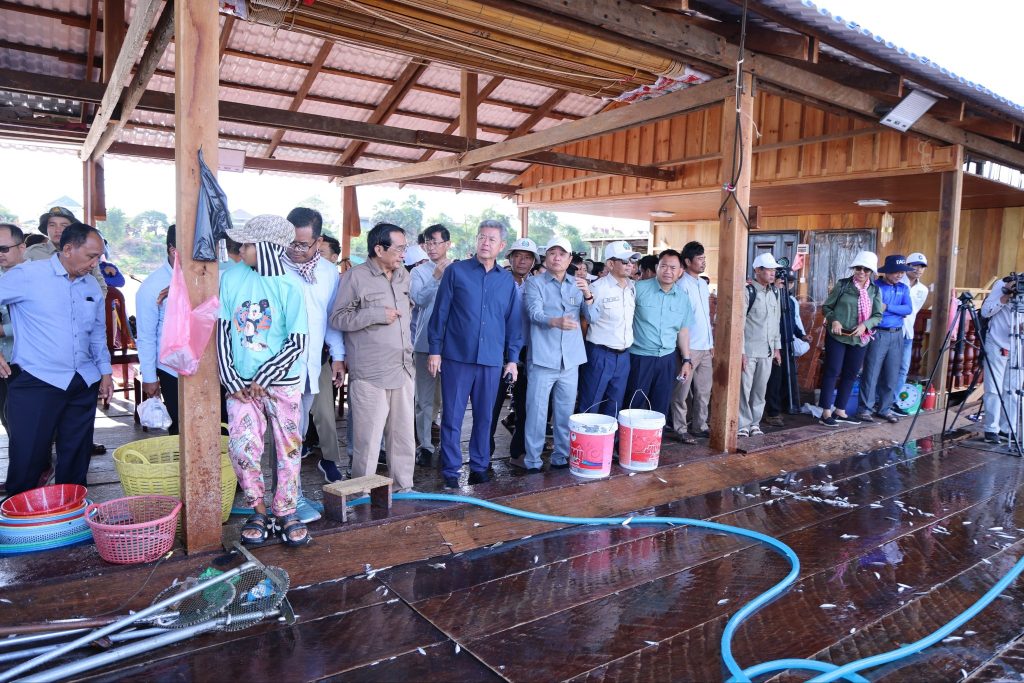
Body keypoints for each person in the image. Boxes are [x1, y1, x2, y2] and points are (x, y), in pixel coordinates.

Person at [217, 215, 310, 547]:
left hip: (282, 382)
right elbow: (223, 329)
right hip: (241, 385)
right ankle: (257, 510)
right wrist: (230, 377)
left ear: (267, 248)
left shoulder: (290, 285)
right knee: (242, 447)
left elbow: (297, 340)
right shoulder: (232, 277)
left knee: (288, 449)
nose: (240, 249)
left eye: (247, 244)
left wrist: (265, 375)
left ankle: (285, 512)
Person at [0, 223, 113, 494]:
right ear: (68, 249)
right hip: (37, 381)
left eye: (99, 257)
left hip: (82, 382)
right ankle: (20, 518)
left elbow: (97, 333)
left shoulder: (91, 284)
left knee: (76, 460)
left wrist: (106, 372)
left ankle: (70, 513)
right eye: (91, 256)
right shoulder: (27, 276)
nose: (95, 263)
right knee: (28, 460)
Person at [428, 219, 522, 489]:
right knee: (452, 416)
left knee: (485, 417)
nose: (485, 243)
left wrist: (512, 359)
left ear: (501, 246)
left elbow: (513, 323)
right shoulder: (456, 272)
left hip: (491, 360)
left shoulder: (506, 281)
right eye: (481, 237)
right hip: (457, 357)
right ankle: (451, 469)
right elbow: (440, 313)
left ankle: (480, 466)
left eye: (492, 239)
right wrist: (435, 351)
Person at [330, 223, 415, 491]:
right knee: (368, 441)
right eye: (399, 248)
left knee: (403, 437)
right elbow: (338, 318)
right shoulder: (355, 277)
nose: (403, 253)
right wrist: (375, 314)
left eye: (404, 248)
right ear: (379, 249)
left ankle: (404, 487)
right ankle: (361, 492)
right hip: (371, 373)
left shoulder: (403, 275)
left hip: (403, 368)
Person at [282, 207, 346, 490]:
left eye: (303, 245)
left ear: (318, 242)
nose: (295, 250)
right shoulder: (273, 267)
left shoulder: (329, 272)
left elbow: (330, 318)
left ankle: (292, 492)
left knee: (300, 429)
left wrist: (338, 356)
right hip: (278, 367)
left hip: (311, 363)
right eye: (291, 243)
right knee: (282, 431)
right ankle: (284, 492)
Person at [521, 237, 588, 472]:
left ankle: (561, 456)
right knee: (537, 413)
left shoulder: (578, 284)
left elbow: (593, 317)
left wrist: (589, 295)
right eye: (552, 253)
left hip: (570, 360)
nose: (557, 257)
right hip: (543, 359)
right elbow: (533, 313)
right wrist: (555, 321)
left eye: (562, 254)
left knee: (565, 412)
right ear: (545, 258)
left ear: (569, 259)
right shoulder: (535, 283)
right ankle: (533, 460)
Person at [817, 251, 883, 427]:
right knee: (832, 371)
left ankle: (840, 410)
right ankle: (825, 412)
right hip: (837, 336)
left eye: (866, 269)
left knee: (851, 373)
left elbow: (878, 315)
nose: (861, 272)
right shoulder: (843, 285)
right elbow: (827, 307)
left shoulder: (875, 290)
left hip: (859, 338)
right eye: (858, 268)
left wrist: (865, 325)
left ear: (871, 272)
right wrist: (834, 320)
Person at [626, 249, 693, 417]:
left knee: (660, 407)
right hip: (640, 357)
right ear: (657, 267)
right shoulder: (638, 289)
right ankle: (630, 435)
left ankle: (655, 436)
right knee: (633, 405)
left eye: (673, 268)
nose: (668, 271)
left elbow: (683, 331)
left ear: (680, 271)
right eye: (664, 266)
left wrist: (686, 360)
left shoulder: (683, 298)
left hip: (667, 359)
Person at [579, 240, 637, 419]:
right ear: (610, 264)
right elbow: (586, 320)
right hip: (600, 354)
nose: (630, 265)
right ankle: (586, 437)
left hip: (624, 355)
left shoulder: (631, 287)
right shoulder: (598, 288)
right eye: (625, 261)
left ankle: (609, 437)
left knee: (615, 404)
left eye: (632, 261)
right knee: (591, 403)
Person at [491, 237, 536, 466]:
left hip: (527, 352)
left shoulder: (536, 285)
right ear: (509, 258)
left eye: (527, 257)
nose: (522, 261)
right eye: (518, 256)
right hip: (499, 352)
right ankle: (484, 453)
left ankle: (518, 452)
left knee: (525, 404)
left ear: (533, 262)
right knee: (492, 404)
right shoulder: (498, 282)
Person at [410, 224, 452, 466]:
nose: (432, 247)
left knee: (451, 400)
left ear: (448, 244)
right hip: (425, 343)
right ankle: (425, 445)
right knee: (424, 399)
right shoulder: (419, 272)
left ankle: (448, 445)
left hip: (453, 346)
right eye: (428, 243)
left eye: (436, 242)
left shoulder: (458, 270)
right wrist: (435, 277)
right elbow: (418, 300)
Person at [856, 255, 914, 424]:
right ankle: (865, 409)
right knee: (871, 372)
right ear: (887, 271)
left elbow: (908, 309)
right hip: (878, 332)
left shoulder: (903, 288)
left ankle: (885, 409)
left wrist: (888, 307)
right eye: (896, 271)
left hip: (897, 334)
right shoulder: (875, 287)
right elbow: (875, 310)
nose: (899, 275)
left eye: (902, 272)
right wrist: (896, 310)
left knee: (892, 374)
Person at [135, 225, 181, 434]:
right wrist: (149, 377)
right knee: (180, 429)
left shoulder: (209, 277)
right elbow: (146, 336)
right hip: (172, 370)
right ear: (173, 250)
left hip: (208, 367)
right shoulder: (152, 286)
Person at [670, 241, 713, 442]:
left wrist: (711, 343)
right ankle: (680, 428)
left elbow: (705, 317)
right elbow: (680, 321)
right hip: (689, 347)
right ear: (687, 262)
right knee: (682, 391)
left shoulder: (703, 284)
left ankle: (700, 425)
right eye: (699, 259)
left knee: (704, 390)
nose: (703, 262)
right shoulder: (681, 285)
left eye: (704, 258)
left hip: (705, 346)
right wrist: (684, 352)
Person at [738, 254, 782, 437]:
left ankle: (755, 423)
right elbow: (739, 324)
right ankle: (742, 425)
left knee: (760, 390)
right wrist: (740, 352)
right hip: (749, 350)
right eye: (769, 269)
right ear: (757, 270)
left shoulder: (775, 292)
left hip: (767, 351)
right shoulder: (747, 292)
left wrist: (777, 348)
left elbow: (776, 322)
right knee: (744, 390)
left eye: (774, 270)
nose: (772, 273)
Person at [25, 207, 106, 294]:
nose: (58, 230)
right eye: (52, 225)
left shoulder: (86, 255)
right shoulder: (32, 253)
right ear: (46, 228)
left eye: (64, 226)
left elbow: (100, 287)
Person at [763, 274, 809, 428]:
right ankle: (772, 412)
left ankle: (786, 405)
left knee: (787, 377)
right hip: (773, 344)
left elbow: (791, 322)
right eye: (783, 282)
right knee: (774, 379)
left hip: (787, 343)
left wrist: (801, 335)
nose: (786, 285)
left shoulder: (790, 301)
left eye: (789, 282)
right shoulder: (770, 296)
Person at [981, 275, 1021, 444]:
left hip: (1019, 345)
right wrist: (1005, 295)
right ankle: (991, 429)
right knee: (993, 388)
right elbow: (985, 311)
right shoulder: (1003, 284)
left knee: (1014, 389)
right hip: (997, 342)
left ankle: (1008, 429)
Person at [892, 252, 929, 414]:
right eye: (915, 265)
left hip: (908, 333)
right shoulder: (897, 282)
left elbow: (913, 311)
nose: (918, 269)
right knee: (887, 367)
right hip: (892, 330)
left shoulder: (923, 289)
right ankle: (879, 401)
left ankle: (893, 402)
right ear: (907, 266)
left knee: (903, 369)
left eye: (922, 267)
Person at [0, 223, 26, 436]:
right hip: (3, 358)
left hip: (30, 361)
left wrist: (4, 330)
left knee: (27, 417)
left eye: (4, 249)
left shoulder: (38, 277)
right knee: (6, 415)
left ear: (22, 247)